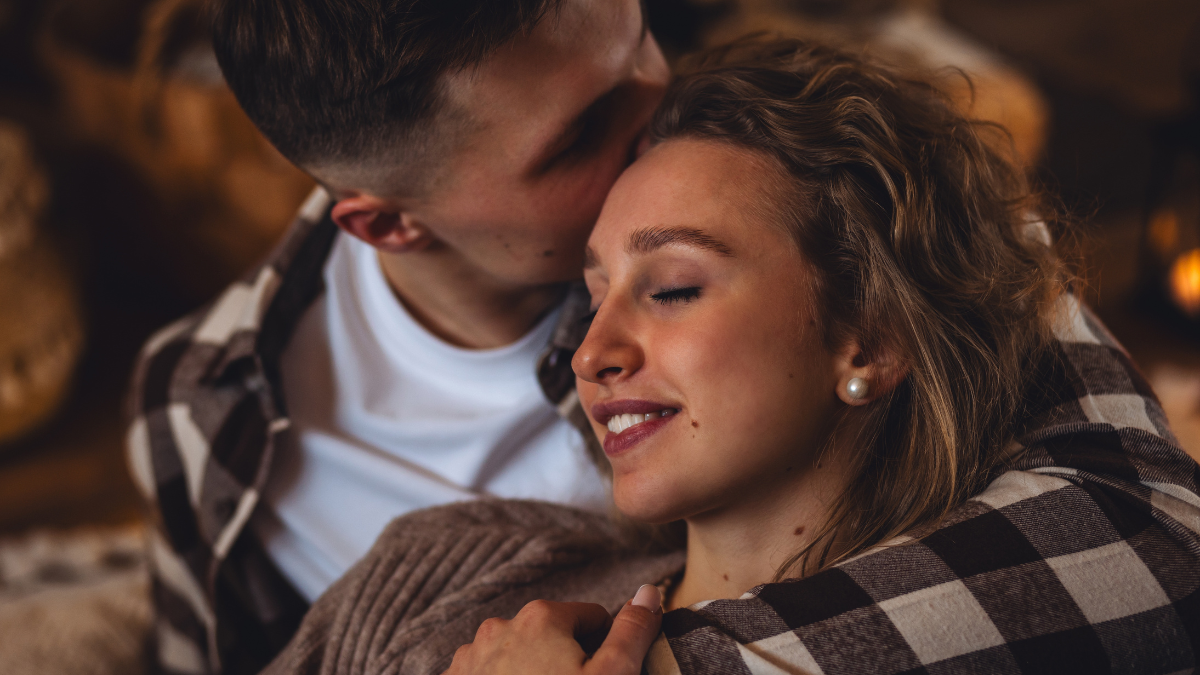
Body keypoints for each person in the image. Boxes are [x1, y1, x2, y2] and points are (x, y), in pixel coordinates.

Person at [261, 40, 1200, 675]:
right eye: (591, 298)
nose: (590, 352)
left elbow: (1163, 535)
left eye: (672, 286)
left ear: (869, 335)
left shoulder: (1060, 604)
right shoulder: (447, 567)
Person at [125, 0, 669, 672]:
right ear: (386, 227)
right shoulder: (203, 414)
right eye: (583, 133)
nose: (670, 106)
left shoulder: (775, 225)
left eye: (642, 41)